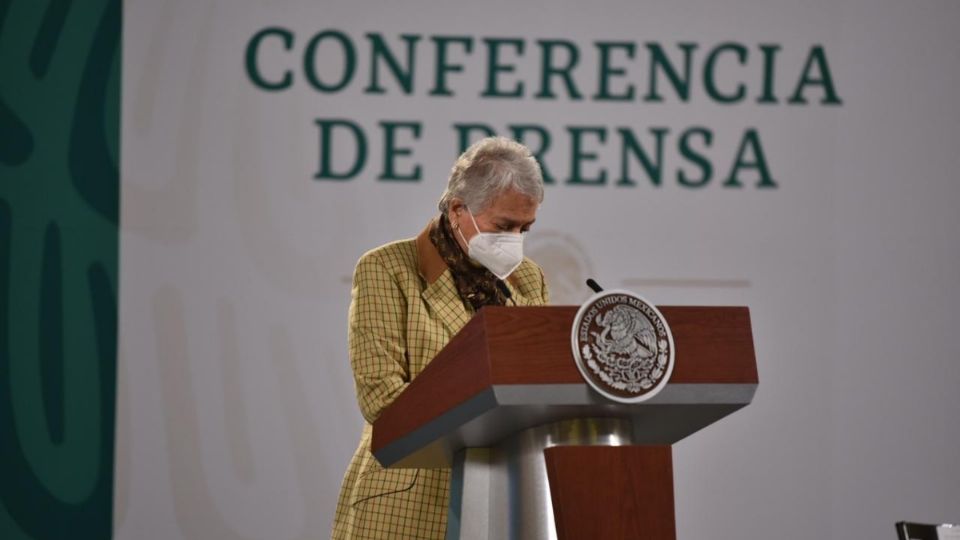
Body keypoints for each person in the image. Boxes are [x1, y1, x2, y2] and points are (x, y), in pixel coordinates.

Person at [331, 137, 550, 539]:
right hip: (408, 499)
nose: (515, 239)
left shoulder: (528, 279)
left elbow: (540, 384)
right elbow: (381, 400)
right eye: (504, 226)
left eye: (525, 228)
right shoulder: (388, 269)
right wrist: (495, 418)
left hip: (507, 497)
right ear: (457, 210)